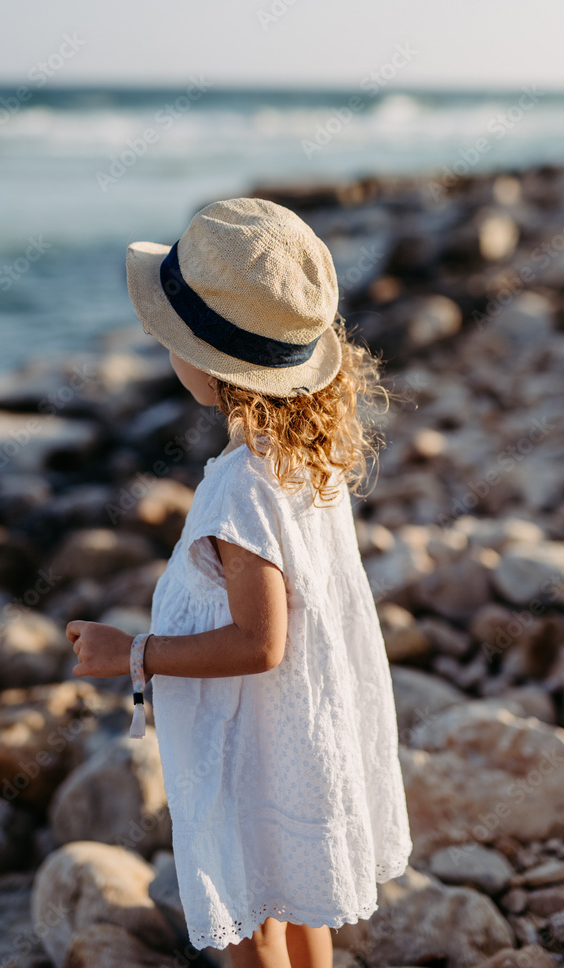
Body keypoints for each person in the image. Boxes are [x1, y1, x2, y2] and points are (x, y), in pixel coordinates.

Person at [66, 197, 413, 968]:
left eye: (169, 340)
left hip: (250, 749)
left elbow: (260, 642)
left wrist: (135, 653)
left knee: (252, 925)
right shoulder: (303, 460)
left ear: (208, 362)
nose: (165, 354)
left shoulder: (239, 488)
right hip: (298, 734)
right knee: (295, 906)